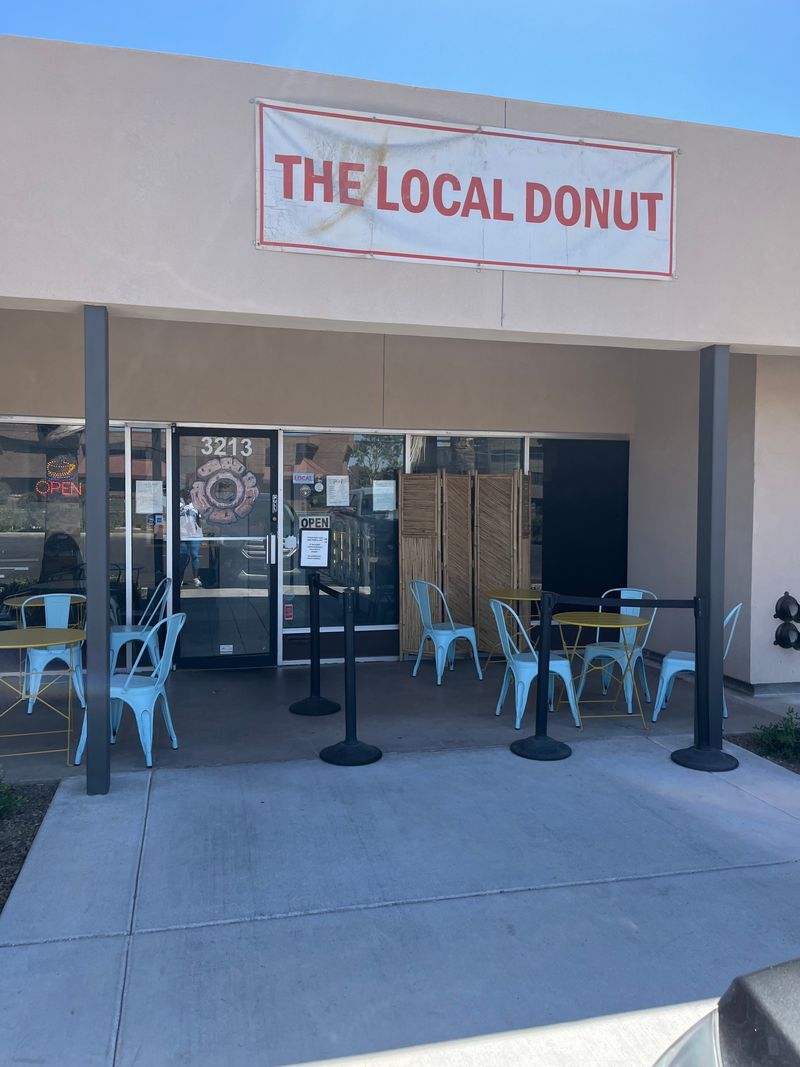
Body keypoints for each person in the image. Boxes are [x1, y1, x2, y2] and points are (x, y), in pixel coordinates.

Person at [179, 491, 203, 587]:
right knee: (183, 557)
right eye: (187, 495)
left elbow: (199, 520)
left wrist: (200, 533)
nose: (189, 497)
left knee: (194, 555)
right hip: (182, 534)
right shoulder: (178, 505)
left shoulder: (196, 506)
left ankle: (196, 578)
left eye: (190, 495)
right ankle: (180, 578)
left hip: (194, 535)